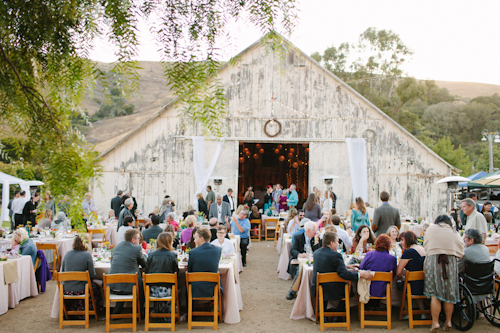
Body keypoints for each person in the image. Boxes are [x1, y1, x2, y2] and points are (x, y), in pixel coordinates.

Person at [311, 232, 373, 311]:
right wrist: (360, 275)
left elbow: (327, 265)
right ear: (332, 243)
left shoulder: (316, 253)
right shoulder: (336, 255)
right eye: (337, 242)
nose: (338, 244)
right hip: (332, 290)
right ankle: (339, 313)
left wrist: (346, 266)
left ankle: (323, 313)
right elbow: (344, 274)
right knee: (349, 287)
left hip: (318, 287)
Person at [424, 215, 464, 332]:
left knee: (435, 295)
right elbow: (461, 251)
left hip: (434, 261)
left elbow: (426, 247)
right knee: (448, 295)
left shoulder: (431, 229)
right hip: (450, 263)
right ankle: (448, 321)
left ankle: (435, 323)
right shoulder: (453, 232)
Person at [60, 234, 102, 314]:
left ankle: (71, 311)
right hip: (81, 289)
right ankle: (93, 310)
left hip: (66, 289)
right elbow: (92, 275)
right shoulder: (86, 255)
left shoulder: (67, 254)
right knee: (96, 286)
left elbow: (63, 271)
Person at [109, 228, 147, 314]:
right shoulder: (137, 249)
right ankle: (138, 313)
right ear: (133, 240)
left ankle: (116, 312)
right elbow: (145, 264)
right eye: (138, 238)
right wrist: (144, 254)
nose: (139, 240)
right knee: (143, 287)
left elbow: (112, 262)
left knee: (123, 280)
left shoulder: (116, 247)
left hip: (114, 285)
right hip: (130, 285)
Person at [145, 232, 179, 314]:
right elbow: (177, 274)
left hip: (153, 289)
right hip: (168, 289)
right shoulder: (172, 255)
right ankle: (170, 312)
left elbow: (147, 271)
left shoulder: (151, 255)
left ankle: (157, 310)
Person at [286, 221, 321, 300]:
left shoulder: (316, 238)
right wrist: (299, 255)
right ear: (308, 230)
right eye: (315, 230)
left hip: (313, 261)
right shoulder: (298, 237)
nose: (317, 232)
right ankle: (293, 291)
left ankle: (312, 294)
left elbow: (318, 253)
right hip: (300, 261)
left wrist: (316, 240)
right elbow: (293, 250)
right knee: (300, 270)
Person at [359, 234, 397, 307]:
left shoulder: (370, 254)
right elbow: (393, 275)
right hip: (384, 289)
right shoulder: (392, 259)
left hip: (368, 288)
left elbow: (361, 268)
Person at [397, 231, 426, 317]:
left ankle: (407, 311)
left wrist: (402, 278)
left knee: (398, 284)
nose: (401, 242)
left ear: (408, 240)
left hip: (413, 286)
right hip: (425, 283)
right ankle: (423, 312)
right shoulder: (422, 248)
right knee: (413, 283)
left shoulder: (408, 252)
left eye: (403, 240)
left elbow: (398, 272)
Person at [458, 228, 491, 303]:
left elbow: (458, 269)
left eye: (465, 237)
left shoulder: (466, 252)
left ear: (471, 240)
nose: (463, 239)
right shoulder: (486, 249)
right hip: (485, 284)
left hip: (471, 284)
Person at [188, 228, 222, 298]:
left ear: (201, 239)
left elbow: (189, 271)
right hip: (212, 287)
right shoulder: (218, 250)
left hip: (196, 288)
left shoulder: (192, 252)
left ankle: (189, 306)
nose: (194, 241)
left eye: (196, 238)